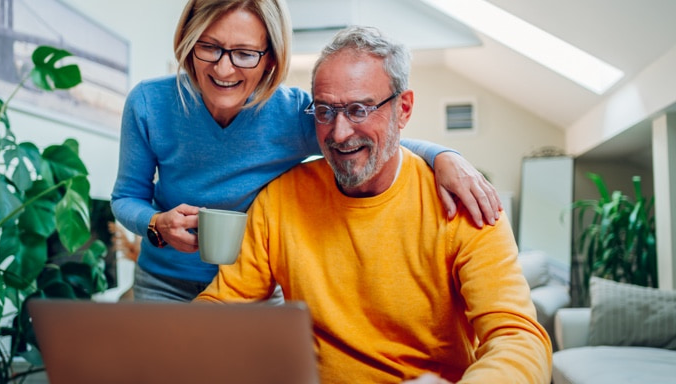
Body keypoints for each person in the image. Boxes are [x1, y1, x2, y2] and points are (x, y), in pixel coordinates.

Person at [195, 26, 551, 384]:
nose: (339, 133)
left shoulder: (464, 205)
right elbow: (224, 305)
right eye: (325, 110)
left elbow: (518, 338)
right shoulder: (279, 200)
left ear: (403, 109)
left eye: (359, 110)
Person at [110, 0, 502, 303]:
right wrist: (156, 224)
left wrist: (445, 156)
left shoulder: (293, 114)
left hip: (256, 287)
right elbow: (126, 196)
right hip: (163, 282)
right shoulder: (149, 103)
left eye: (245, 53)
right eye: (209, 48)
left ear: (271, 60)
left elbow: (369, 138)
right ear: (188, 42)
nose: (224, 70)